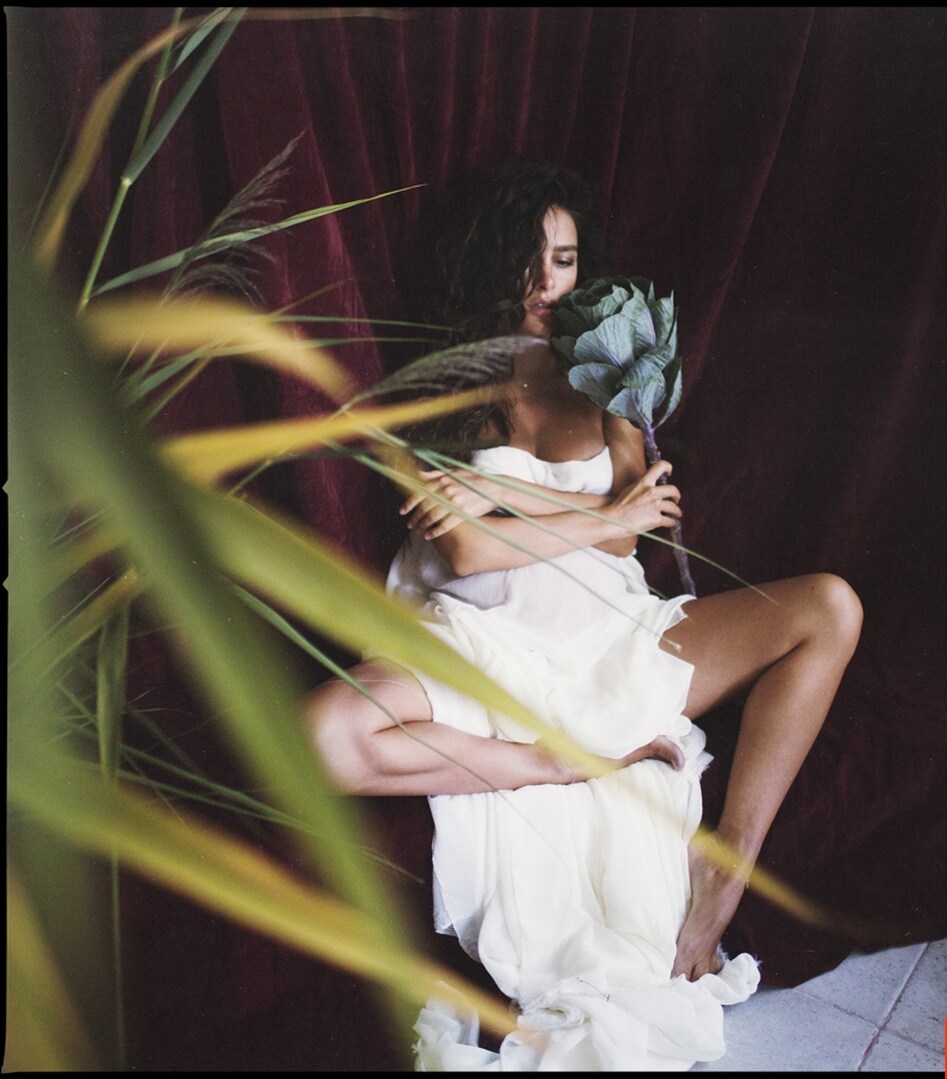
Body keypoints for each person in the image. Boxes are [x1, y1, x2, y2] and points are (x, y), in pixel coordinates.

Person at [304, 157, 863, 1070]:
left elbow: (628, 538)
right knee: (324, 732)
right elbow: (471, 554)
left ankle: (727, 863)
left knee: (829, 606)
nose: (545, 282)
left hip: (610, 633)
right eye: (527, 260)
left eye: (563, 260)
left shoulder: (605, 377)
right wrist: (600, 513)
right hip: (482, 640)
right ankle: (547, 762)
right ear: (486, 263)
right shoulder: (437, 383)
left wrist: (524, 504)